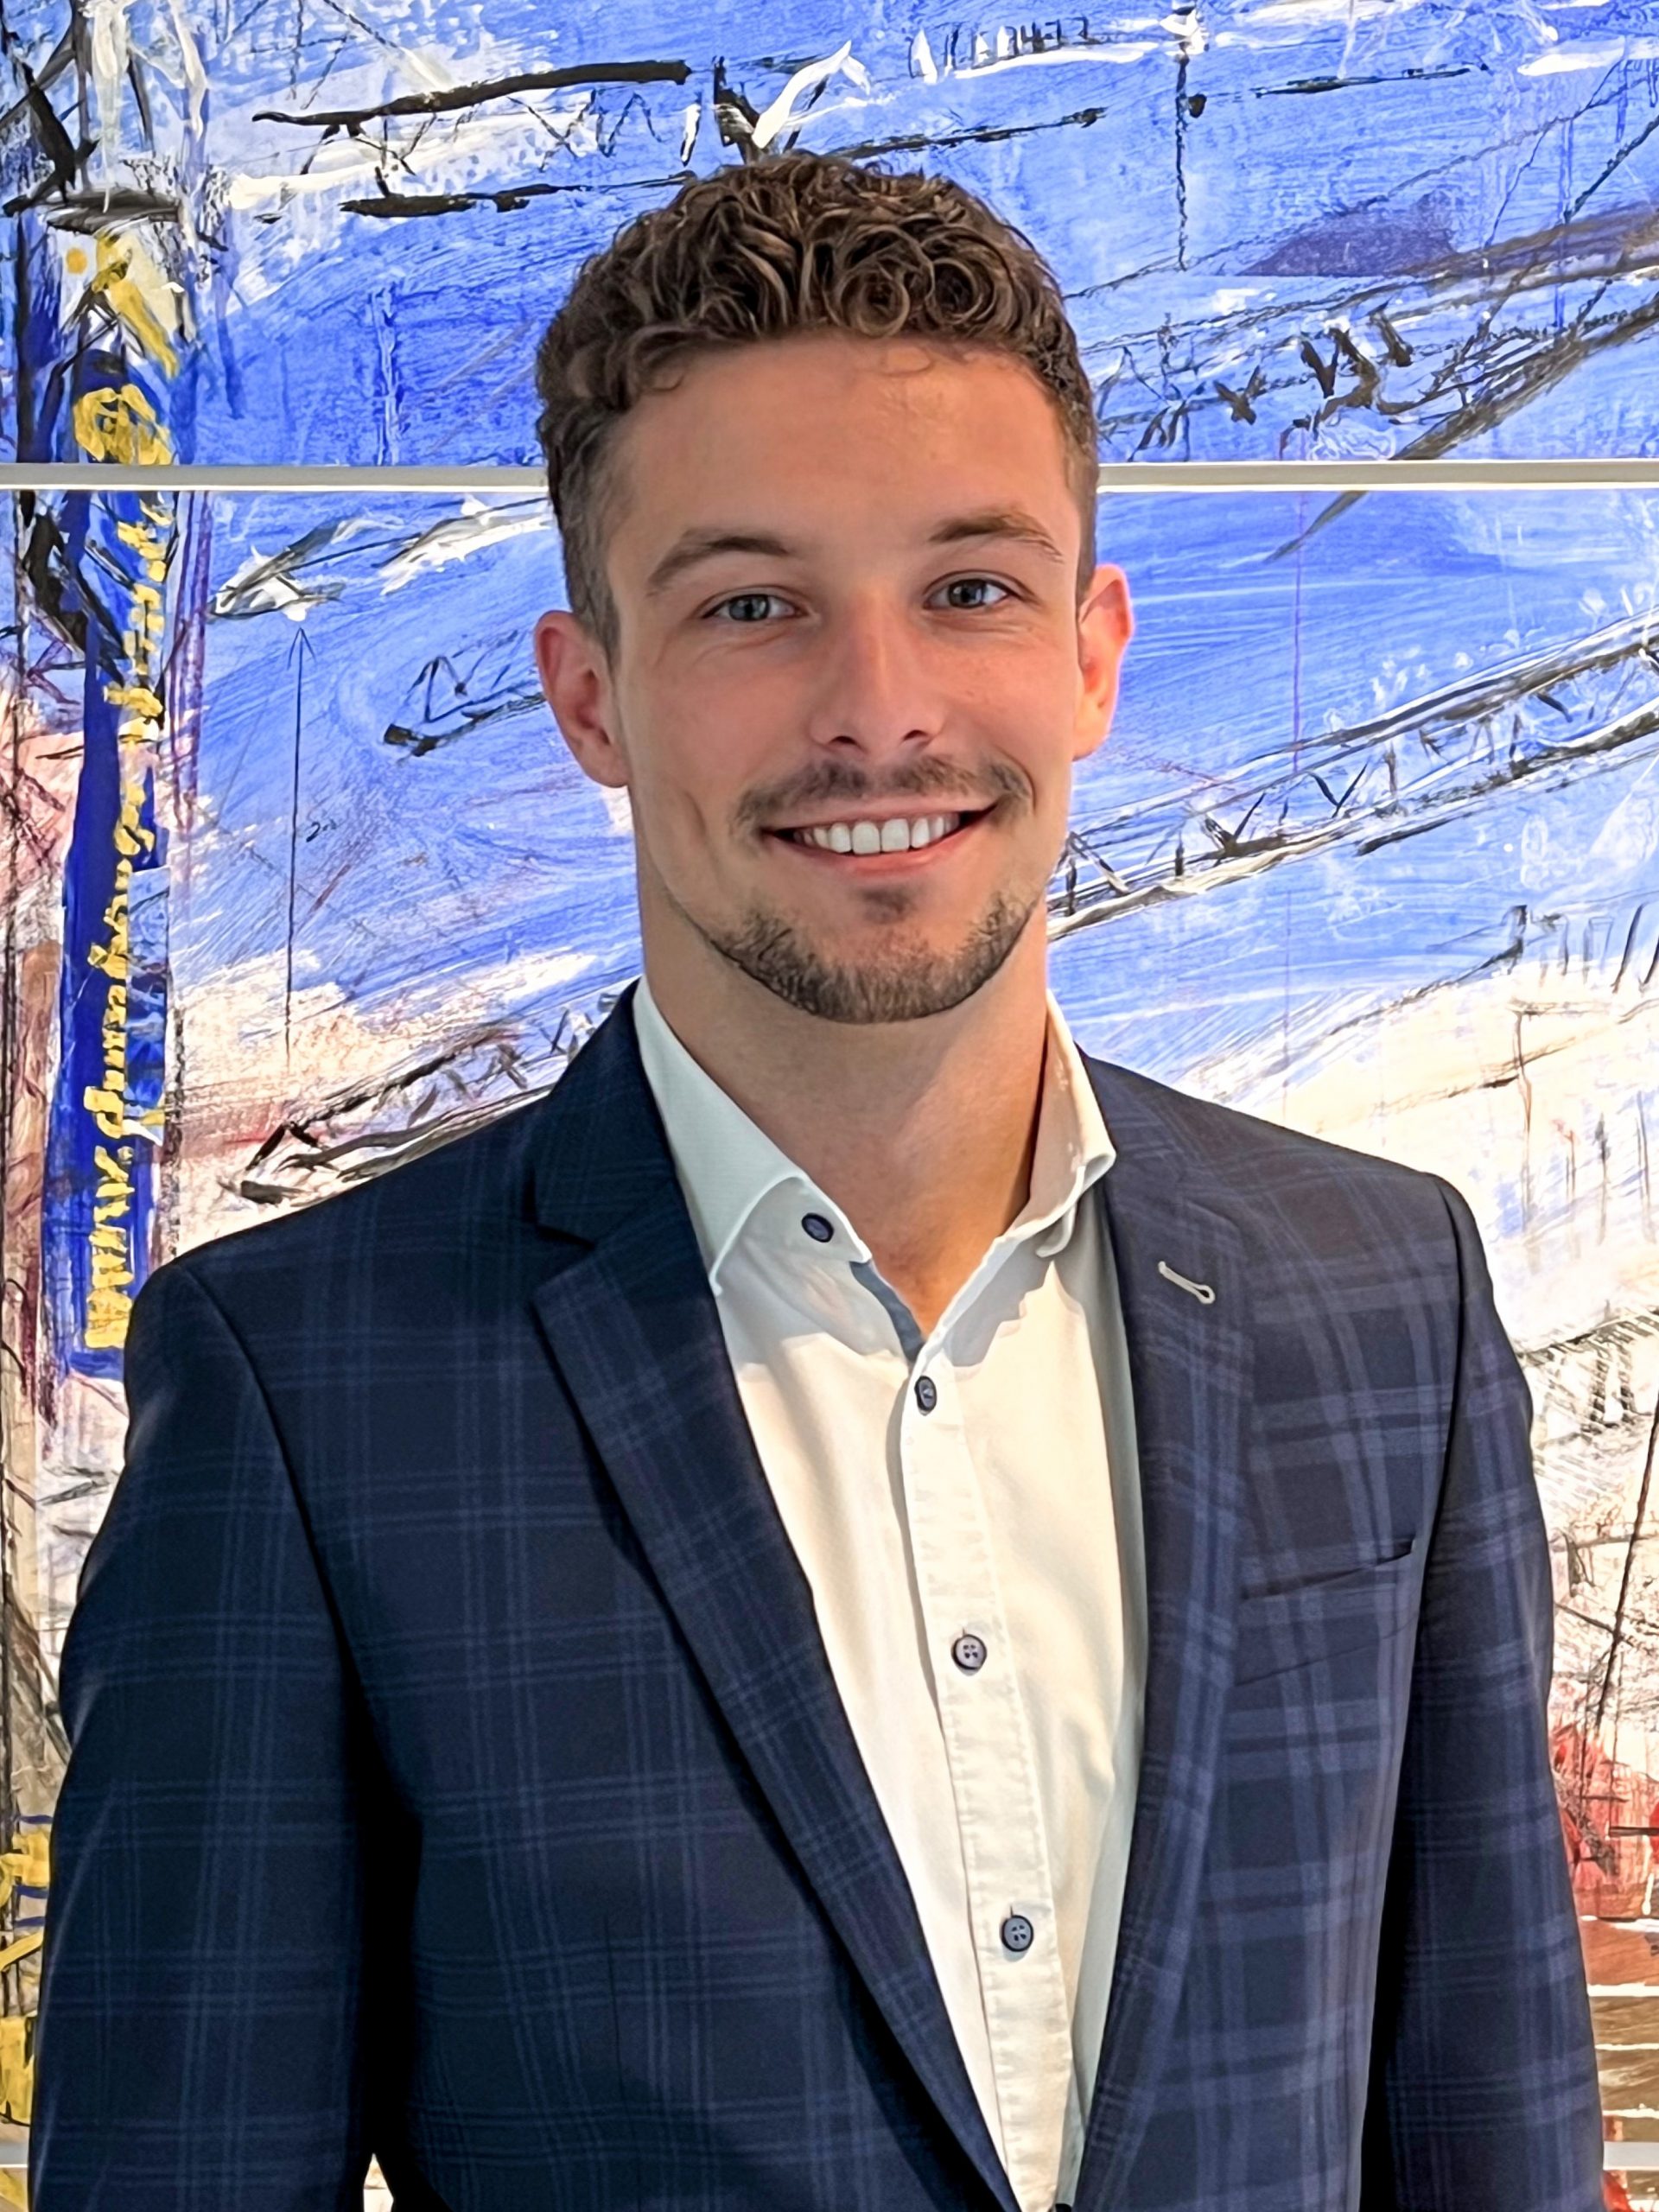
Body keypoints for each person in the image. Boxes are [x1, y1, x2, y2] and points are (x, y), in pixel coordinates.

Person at [31, 151, 1604, 2212]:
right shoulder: (306, 1391)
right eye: (753, 605)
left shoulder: (1386, 1296)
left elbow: (1492, 2134)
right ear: (591, 694)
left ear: (1095, 652)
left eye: (971, 588)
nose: (882, 712)